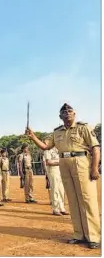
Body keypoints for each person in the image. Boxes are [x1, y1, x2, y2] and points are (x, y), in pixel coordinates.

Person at [27, 103, 101, 249]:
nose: (67, 113)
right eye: (64, 112)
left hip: (81, 162)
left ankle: (93, 236)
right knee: (72, 200)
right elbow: (45, 146)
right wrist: (33, 136)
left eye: (70, 111)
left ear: (75, 114)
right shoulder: (57, 132)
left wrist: (94, 168)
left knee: (87, 199)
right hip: (64, 163)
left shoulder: (84, 127)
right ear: (60, 116)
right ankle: (79, 234)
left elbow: (96, 148)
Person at [42, 147, 68, 216]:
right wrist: (60, 162)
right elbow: (48, 162)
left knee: (61, 190)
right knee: (55, 190)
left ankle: (62, 208)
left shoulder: (58, 149)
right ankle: (55, 209)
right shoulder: (47, 150)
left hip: (60, 170)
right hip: (53, 171)